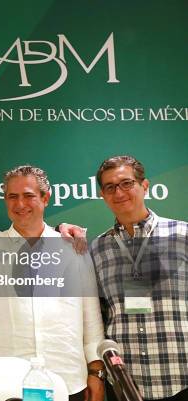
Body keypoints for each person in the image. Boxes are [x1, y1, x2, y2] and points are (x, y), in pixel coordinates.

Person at [0, 165, 105, 401]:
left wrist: (96, 372)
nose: (20, 204)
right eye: (12, 197)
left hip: (70, 379)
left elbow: (91, 317)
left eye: (29, 195)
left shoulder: (73, 248)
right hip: (7, 384)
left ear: (45, 197)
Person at [90, 155, 187, 401]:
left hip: (181, 377)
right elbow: (99, 313)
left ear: (144, 186)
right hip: (124, 381)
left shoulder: (182, 234)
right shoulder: (98, 248)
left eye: (126, 183)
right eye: (110, 187)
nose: (118, 192)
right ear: (102, 194)